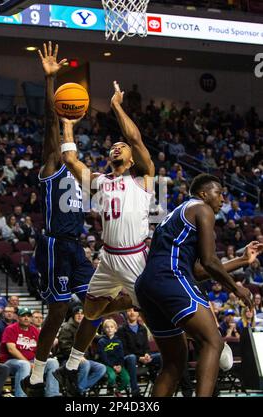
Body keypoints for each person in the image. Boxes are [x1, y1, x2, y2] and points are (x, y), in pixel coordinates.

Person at [54, 78, 155, 394]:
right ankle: (70, 369)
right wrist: (68, 123)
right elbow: (70, 160)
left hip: (134, 259)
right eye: (114, 145)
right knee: (92, 312)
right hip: (108, 258)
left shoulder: (145, 179)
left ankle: (209, 343)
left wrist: (116, 106)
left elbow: (135, 138)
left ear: (131, 158)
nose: (118, 146)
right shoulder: (99, 182)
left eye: (121, 146)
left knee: (160, 310)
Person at [21, 42, 98, 397]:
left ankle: (71, 366)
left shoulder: (81, 169)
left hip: (76, 247)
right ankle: (35, 376)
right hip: (53, 244)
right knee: (59, 309)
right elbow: (51, 124)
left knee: (98, 303)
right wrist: (50, 81)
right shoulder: (52, 164)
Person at [135, 173, 252, 397]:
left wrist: (242, 260)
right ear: (203, 194)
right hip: (170, 277)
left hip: (148, 285)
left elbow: (198, 270)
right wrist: (236, 288)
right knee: (213, 342)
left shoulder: (178, 214)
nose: (223, 199)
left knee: (173, 364)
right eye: (219, 193)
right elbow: (209, 261)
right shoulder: (202, 209)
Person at [0, 307, 60, 397]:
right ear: (18, 317)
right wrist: (28, 362)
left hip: (32, 361)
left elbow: (42, 347)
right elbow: (11, 349)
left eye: (28, 316)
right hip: (11, 361)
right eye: (23, 316)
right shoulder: (10, 329)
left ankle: (52, 394)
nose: (26, 318)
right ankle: (21, 395)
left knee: (53, 362)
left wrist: (39, 361)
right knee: (24, 365)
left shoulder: (34, 330)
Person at [56, 305, 106, 396]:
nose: (80, 315)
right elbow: (64, 346)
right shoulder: (67, 327)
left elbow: (96, 337)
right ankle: (80, 391)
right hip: (67, 359)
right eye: (77, 314)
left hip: (83, 359)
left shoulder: (85, 327)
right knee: (85, 364)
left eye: (82, 314)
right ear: (73, 315)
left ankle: (79, 389)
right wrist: (77, 356)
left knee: (101, 368)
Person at [117, 308, 161, 397]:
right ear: (126, 313)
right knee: (132, 357)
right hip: (129, 358)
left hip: (143, 357)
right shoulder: (121, 329)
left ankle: (157, 382)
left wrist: (147, 354)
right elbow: (124, 350)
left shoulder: (143, 328)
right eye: (129, 310)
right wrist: (139, 358)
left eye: (134, 310)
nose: (132, 312)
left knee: (161, 356)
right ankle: (135, 391)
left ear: (138, 314)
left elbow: (146, 347)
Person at [97, 319, 130, 397]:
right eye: (107, 327)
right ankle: (111, 388)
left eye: (112, 327)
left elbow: (121, 356)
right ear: (104, 329)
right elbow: (104, 357)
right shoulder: (101, 342)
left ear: (115, 329)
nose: (109, 329)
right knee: (112, 377)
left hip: (118, 365)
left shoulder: (119, 341)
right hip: (108, 364)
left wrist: (120, 365)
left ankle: (117, 390)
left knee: (126, 379)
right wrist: (113, 366)